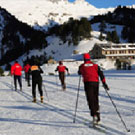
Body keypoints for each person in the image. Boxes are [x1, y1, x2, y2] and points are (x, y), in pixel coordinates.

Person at [78, 53, 109, 125]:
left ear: (84, 59)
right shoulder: (95, 65)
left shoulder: (82, 66)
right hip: (96, 83)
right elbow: (101, 74)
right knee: (95, 98)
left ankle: (94, 115)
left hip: (88, 83)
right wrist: (104, 83)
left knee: (90, 99)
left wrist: (81, 72)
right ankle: (97, 113)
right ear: (89, 59)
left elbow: (79, 72)